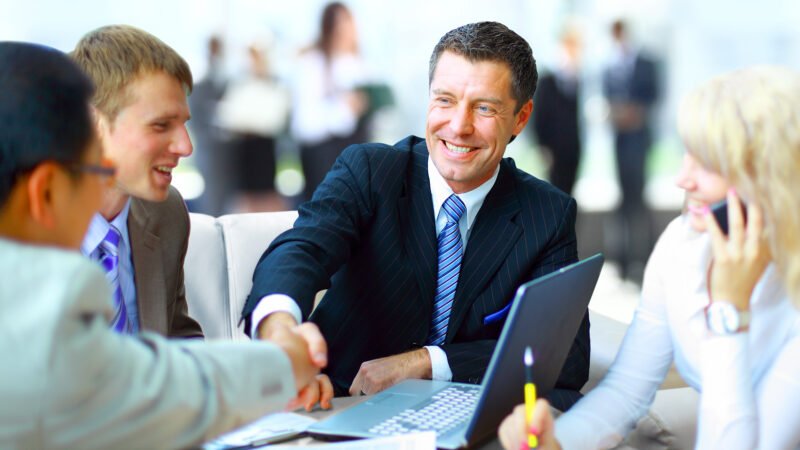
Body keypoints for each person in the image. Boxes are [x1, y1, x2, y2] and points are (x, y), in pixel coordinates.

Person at [243, 21, 590, 412]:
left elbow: (566, 355)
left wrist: (427, 363)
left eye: (484, 108)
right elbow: (301, 249)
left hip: (463, 413)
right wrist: (280, 332)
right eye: (444, 100)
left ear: (521, 118)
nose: (458, 127)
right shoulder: (371, 171)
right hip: (343, 403)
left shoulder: (548, 213)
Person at [0, 41, 327, 448]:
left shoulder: (165, 216)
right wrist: (283, 365)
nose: (185, 147)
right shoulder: (40, 302)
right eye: (87, 177)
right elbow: (139, 387)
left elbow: (174, 346)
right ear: (45, 192)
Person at [498, 66, 800, 450]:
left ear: (772, 178)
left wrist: (729, 311)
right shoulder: (683, 246)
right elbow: (626, 390)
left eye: (707, 164)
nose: (682, 180)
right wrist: (553, 443)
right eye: (687, 154)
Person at [70, 25, 203, 337]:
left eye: (182, 124)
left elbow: (179, 340)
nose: (185, 147)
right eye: (160, 125)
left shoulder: (167, 213)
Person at [291, 1, 370, 203]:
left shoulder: (358, 62)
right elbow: (306, 124)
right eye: (339, 26)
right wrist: (344, 109)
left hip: (355, 154)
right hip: (323, 157)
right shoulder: (312, 63)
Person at [603, 19, 659, 283]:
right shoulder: (609, 67)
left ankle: (645, 258)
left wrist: (636, 112)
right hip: (620, 140)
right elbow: (606, 99)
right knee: (623, 199)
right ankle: (624, 262)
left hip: (639, 139)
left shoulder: (647, 62)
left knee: (640, 199)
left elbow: (655, 95)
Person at [216, 41, 290, 213]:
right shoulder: (240, 85)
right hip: (244, 146)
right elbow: (229, 117)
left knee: (267, 194)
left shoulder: (275, 86)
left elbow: (273, 120)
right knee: (245, 196)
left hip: (263, 146)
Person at [532, 26, 583, 196]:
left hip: (573, 147)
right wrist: (542, 146)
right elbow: (538, 116)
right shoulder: (548, 80)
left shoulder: (578, 79)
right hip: (553, 148)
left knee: (570, 192)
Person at [188, 35, 232, 217]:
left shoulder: (228, 82)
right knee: (213, 202)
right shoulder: (199, 85)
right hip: (210, 151)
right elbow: (194, 120)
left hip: (230, 153)